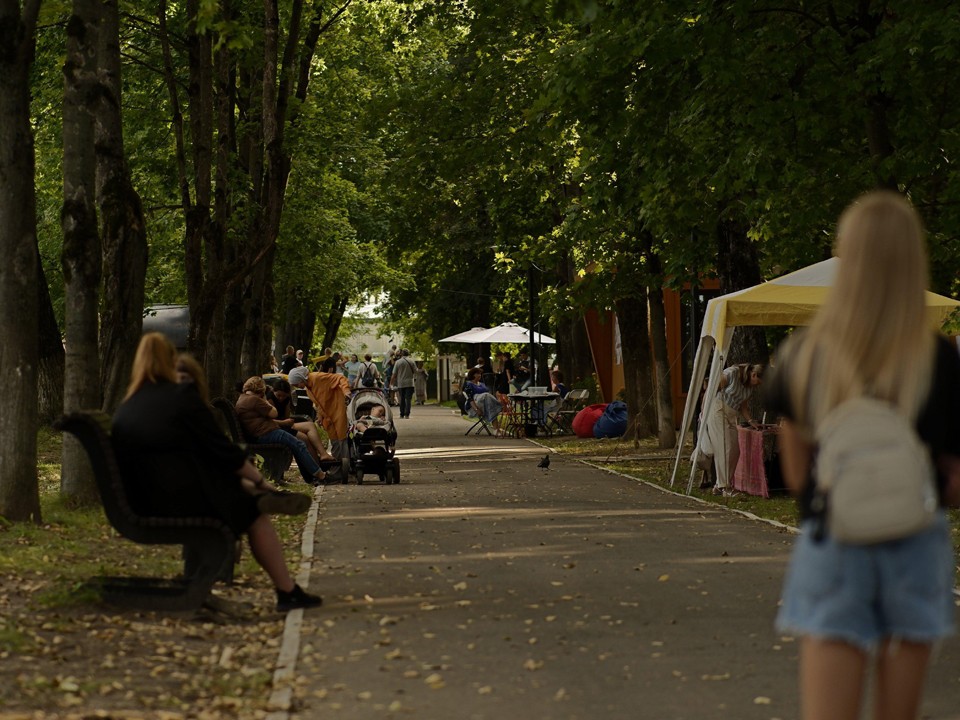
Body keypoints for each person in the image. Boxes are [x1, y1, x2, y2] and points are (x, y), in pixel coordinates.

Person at [765, 191, 960, 720]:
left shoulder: (804, 356)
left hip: (835, 542)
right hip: (915, 543)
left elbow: (797, 473)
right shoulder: (938, 361)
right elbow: (955, 479)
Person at [111, 333, 321, 612]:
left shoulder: (129, 404)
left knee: (234, 492)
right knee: (255, 515)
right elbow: (222, 449)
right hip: (172, 502)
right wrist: (258, 478)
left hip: (137, 501)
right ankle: (287, 590)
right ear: (170, 362)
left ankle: (253, 492)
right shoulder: (180, 397)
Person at [235, 376, 328, 485]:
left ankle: (313, 475)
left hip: (261, 432)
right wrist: (264, 398)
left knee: (298, 444)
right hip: (266, 432)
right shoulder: (255, 400)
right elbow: (274, 413)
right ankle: (320, 474)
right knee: (299, 444)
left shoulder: (243, 398)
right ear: (261, 390)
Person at [697, 362, 764, 497]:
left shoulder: (749, 387)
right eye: (758, 382)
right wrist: (703, 411)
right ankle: (725, 487)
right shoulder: (732, 373)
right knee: (724, 448)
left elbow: (743, 406)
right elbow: (711, 390)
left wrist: (750, 421)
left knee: (735, 451)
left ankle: (719, 485)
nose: (757, 385)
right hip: (717, 409)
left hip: (732, 414)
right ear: (754, 374)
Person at [288, 365, 352, 458]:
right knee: (334, 442)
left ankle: (347, 466)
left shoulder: (318, 377)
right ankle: (337, 468)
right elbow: (318, 404)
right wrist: (320, 417)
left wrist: (346, 391)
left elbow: (340, 377)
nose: (297, 387)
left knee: (342, 440)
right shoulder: (308, 389)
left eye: (296, 384)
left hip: (337, 410)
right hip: (328, 418)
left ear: (301, 379)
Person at [266, 378, 333, 463]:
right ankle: (316, 465)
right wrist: (285, 422)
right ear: (273, 391)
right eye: (278, 395)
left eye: (284, 396)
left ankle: (323, 454)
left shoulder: (286, 399)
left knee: (310, 425)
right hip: (276, 427)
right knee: (304, 438)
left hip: (284, 424)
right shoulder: (270, 398)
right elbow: (269, 420)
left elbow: (286, 416)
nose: (281, 398)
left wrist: (288, 421)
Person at [391, 349, 417, 418]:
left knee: (402, 399)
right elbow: (415, 371)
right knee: (408, 399)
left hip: (401, 383)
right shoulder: (412, 361)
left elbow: (394, 374)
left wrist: (391, 383)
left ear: (401, 354)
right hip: (410, 383)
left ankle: (401, 414)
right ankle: (407, 414)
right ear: (408, 354)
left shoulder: (398, 362)